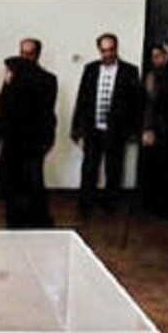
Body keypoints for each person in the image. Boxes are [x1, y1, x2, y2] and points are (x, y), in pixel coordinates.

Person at [70, 33, 140, 215]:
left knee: (114, 168)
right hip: (93, 128)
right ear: (99, 50)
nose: (107, 54)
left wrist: (133, 130)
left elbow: (135, 103)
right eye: (103, 50)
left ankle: (111, 203)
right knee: (89, 167)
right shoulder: (91, 69)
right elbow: (82, 98)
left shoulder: (130, 71)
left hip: (116, 129)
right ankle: (86, 202)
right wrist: (76, 128)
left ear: (116, 49)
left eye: (110, 50)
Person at [0, 55, 56, 228]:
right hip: (33, 146)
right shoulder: (38, 89)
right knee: (32, 186)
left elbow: (0, 120)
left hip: (14, 148)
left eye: (9, 71)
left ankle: (17, 223)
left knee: (16, 189)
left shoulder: (11, 92)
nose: (6, 75)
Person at [140, 41, 168, 216]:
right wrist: (147, 128)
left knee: (166, 169)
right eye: (153, 57)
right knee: (152, 168)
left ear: (166, 56)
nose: (156, 60)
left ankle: (164, 206)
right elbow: (147, 105)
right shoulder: (151, 75)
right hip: (154, 128)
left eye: (159, 56)